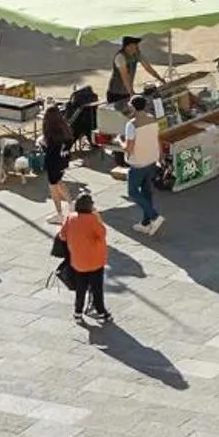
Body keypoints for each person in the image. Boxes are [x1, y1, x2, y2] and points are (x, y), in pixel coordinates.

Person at [59, 191, 111, 324]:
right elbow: (102, 233)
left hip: (78, 261)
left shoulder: (70, 217)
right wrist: (98, 218)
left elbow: (62, 236)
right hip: (95, 260)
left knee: (80, 288)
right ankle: (102, 312)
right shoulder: (93, 219)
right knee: (97, 288)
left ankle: (77, 312)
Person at [122, 95, 163, 236]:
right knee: (146, 192)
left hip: (138, 163)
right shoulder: (152, 119)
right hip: (151, 160)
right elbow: (157, 139)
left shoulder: (131, 125)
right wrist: (160, 156)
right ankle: (146, 223)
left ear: (133, 107)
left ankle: (154, 216)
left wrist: (119, 142)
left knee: (133, 192)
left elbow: (129, 148)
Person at [105, 36, 164, 108]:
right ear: (127, 47)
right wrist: (131, 93)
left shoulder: (137, 54)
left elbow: (148, 68)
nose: (136, 47)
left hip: (127, 92)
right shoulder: (120, 57)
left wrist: (160, 79)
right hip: (116, 93)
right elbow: (125, 76)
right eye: (134, 46)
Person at [41, 102, 74, 224]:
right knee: (59, 182)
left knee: (53, 188)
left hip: (53, 163)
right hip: (63, 160)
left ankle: (59, 213)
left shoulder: (51, 134)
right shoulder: (66, 129)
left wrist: (43, 144)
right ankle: (71, 204)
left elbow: (48, 148)